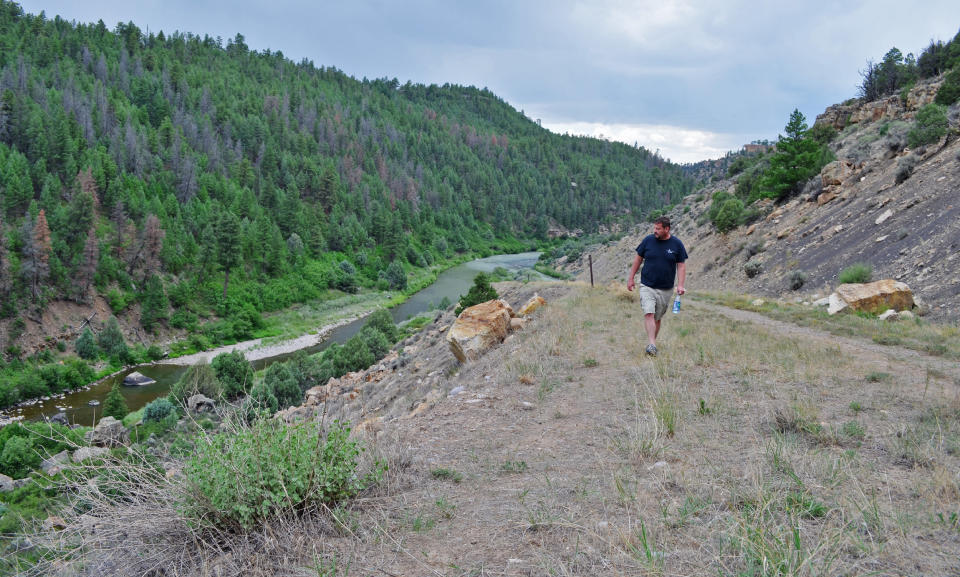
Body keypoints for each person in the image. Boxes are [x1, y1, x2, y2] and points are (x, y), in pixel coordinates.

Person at [626, 216, 687, 357]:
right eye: (654, 228)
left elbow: (681, 266)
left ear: (667, 229)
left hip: (666, 289)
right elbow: (637, 259)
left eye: (658, 229)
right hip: (647, 285)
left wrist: (681, 284)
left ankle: (652, 344)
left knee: (657, 318)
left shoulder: (677, 244)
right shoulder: (648, 241)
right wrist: (631, 278)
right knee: (649, 313)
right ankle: (652, 344)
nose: (655, 231)